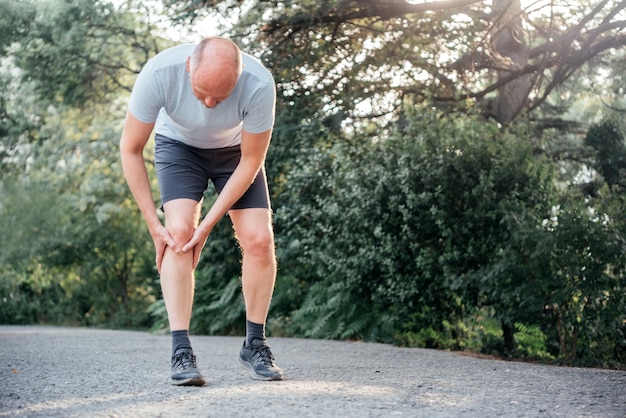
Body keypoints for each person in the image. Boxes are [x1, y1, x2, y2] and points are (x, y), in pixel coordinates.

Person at [120, 36, 283, 386]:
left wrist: (208, 224)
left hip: (236, 154)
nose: (209, 104)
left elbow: (252, 159)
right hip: (178, 148)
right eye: (201, 92)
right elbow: (130, 149)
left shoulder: (259, 83)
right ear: (189, 67)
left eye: (220, 96)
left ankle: (255, 342)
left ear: (238, 79)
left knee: (258, 239)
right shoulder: (158, 73)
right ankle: (181, 350)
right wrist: (153, 223)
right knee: (178, 233)